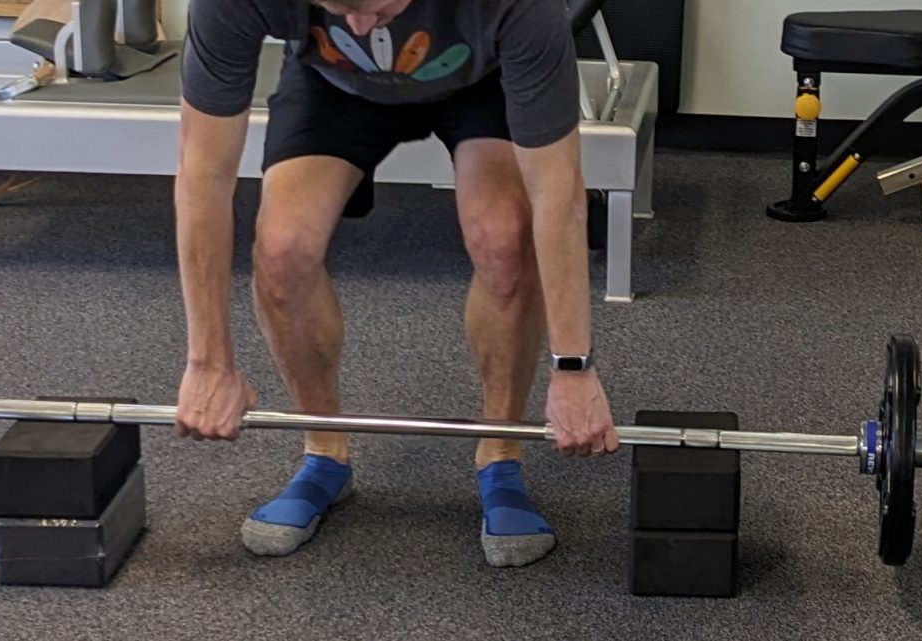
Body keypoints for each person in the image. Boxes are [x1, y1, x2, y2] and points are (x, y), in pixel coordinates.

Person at [173, 0, 618, 567]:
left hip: (483, 79)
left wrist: (573, 367)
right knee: (283, 249)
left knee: (505, 238)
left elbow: (558, 193)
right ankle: (324, 452)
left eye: (373, 4)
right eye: (336, 6)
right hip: (333, 81)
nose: (358, 25)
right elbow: (204, 173)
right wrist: (208, 362)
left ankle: (501, 455)